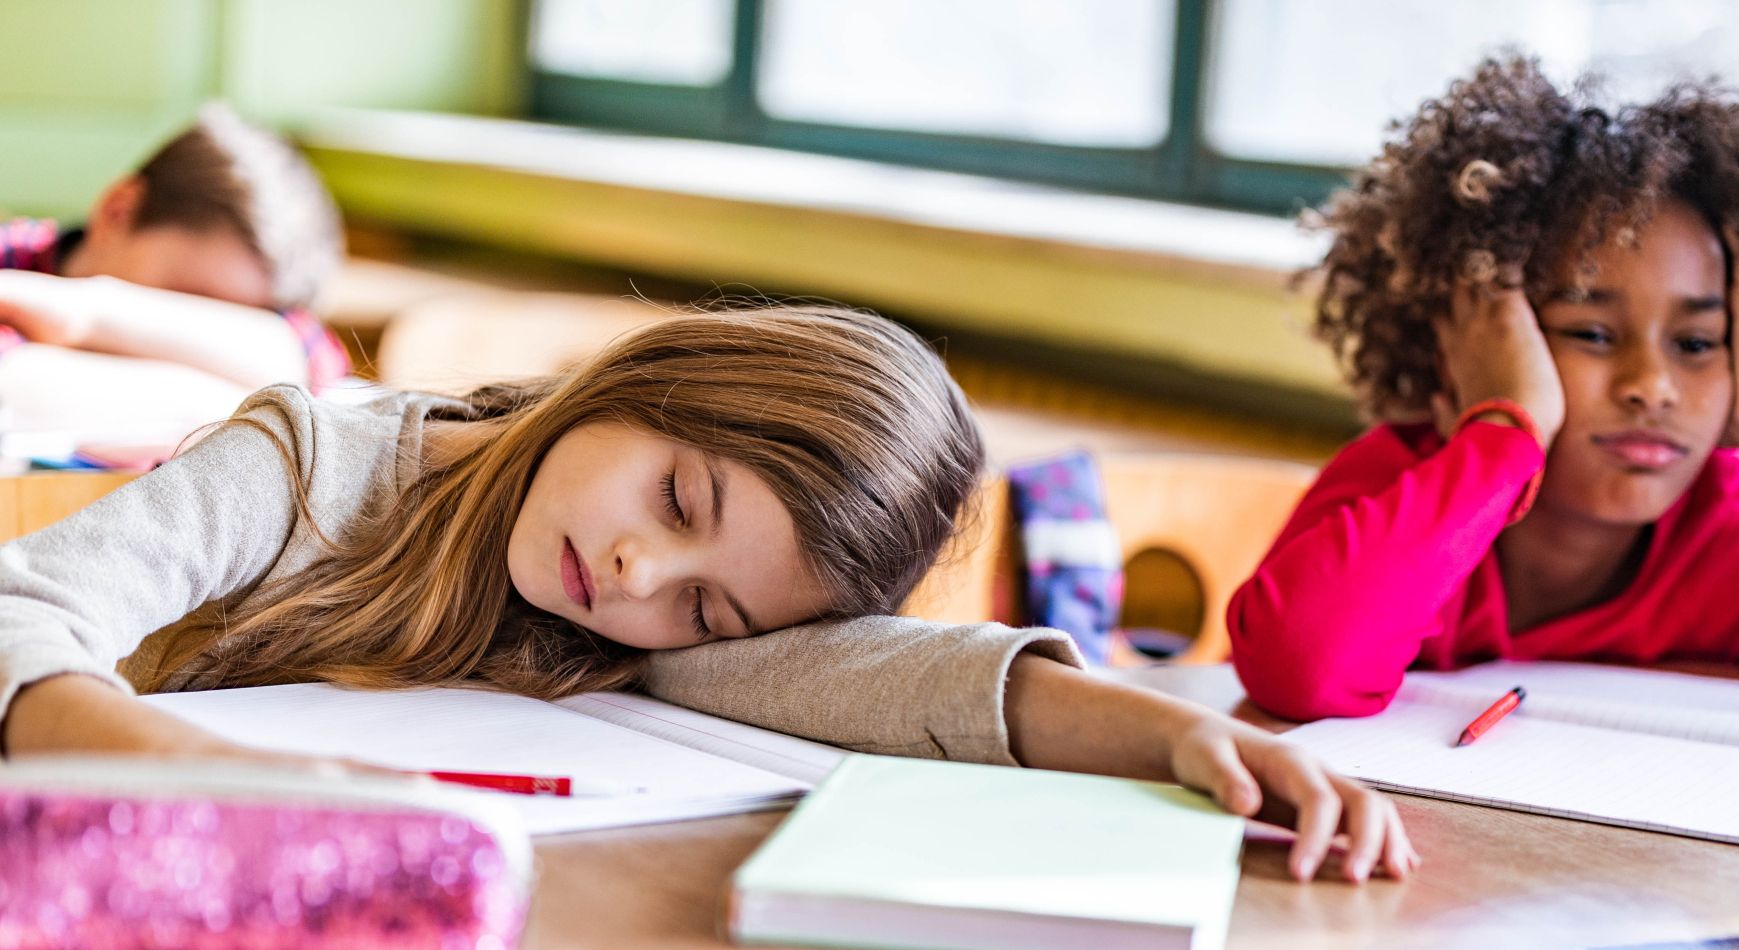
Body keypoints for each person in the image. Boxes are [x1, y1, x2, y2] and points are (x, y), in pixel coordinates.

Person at [0, 304, 1416, 883]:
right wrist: (194, 769)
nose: (640, 577)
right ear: (655, 377)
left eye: (709, 616)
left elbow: (891, 679)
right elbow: (26, 614)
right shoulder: (310, 464)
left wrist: (1174, 736)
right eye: (680, 499)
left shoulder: (611, 636)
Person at [1228, 55, 1739, 720]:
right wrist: (1507, 432)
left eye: (1698, 344)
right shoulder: (1397, 492)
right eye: (1590, 333)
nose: (1651, 386)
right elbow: (1301, 670)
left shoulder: (1733, 557)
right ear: (1468, 343)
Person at [0, 103, 348, 436]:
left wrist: (84, 312)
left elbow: (311, 360)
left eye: (219, 319)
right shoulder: (13, 255)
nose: (191, 329)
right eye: (183, 299)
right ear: (117, 211)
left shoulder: (282, 328)